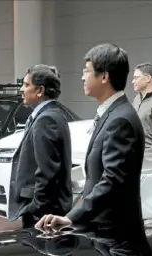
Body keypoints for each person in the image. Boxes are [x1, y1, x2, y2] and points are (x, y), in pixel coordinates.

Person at [37, 44, 145, 233]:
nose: (82, 77)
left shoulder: (120, 120)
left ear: (104, 76)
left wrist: (70, 218)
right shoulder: (111, 114)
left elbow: (112, 181)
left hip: (115, 235)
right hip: (103, 230)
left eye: (87, 71)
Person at [7, 64, 73, 228]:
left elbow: (47, 171)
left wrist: (35, 208)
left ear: (40, 90)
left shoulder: (46, 120)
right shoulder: (50, 115)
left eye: (26, 85)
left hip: (43, 214)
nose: (22, 89)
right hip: (44, 210)